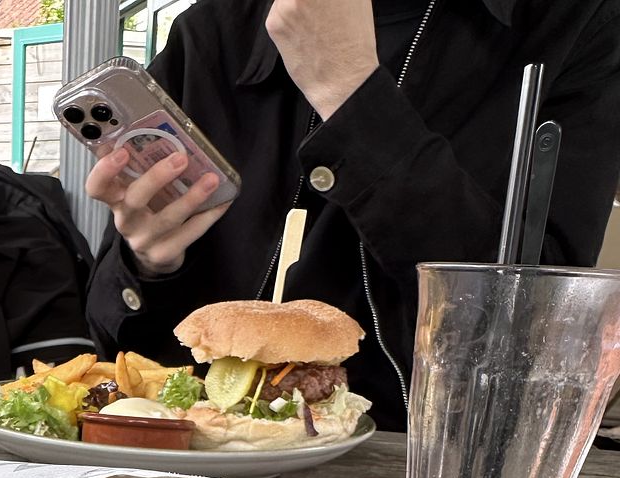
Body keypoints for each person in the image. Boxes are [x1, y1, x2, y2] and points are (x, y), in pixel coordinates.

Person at [84, 0, 620, 431]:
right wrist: (148, 264)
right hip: (196, 458)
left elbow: (538, 331)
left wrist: (351, 94)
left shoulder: (578, 24)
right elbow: (122, 348)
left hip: (424, 475)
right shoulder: (211, 31)